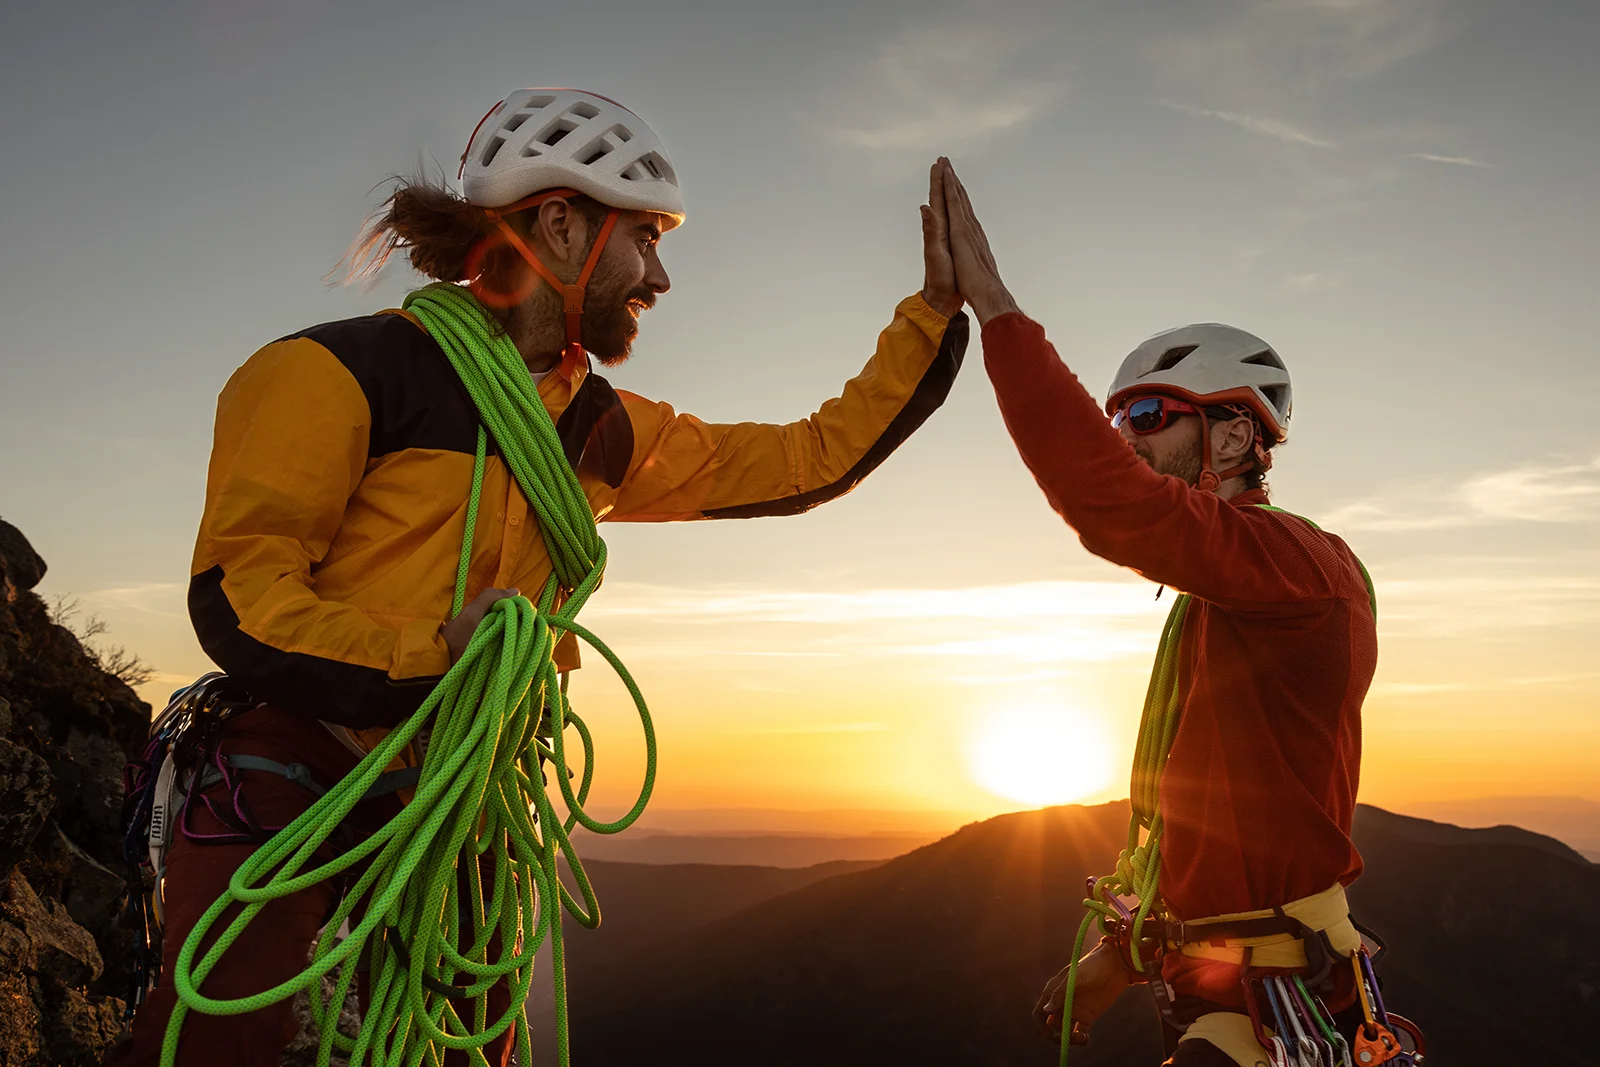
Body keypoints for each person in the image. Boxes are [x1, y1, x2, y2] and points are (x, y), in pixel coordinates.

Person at [112, 89, 967, 1067]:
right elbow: (243, 595)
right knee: (218, 1034)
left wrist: (931, 315)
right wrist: (442, 660)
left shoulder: (596, 427)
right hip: (295, 752)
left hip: (459, 790)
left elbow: (808, 458)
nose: (661, 275)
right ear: (560, 224)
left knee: (474, 1044)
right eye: (645, 238)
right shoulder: (333, 373)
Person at [935, 158, 1380, 1066]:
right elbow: (1216, 825)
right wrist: (1122, 959)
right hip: (1241, 991)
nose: (1124, 438)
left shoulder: (1299, 568)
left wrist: (1002, 317)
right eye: (1117, 418)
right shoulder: (1232, 594)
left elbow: (1111, 503)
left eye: (1147, 413)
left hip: (1268, 1009)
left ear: (1234, 434)